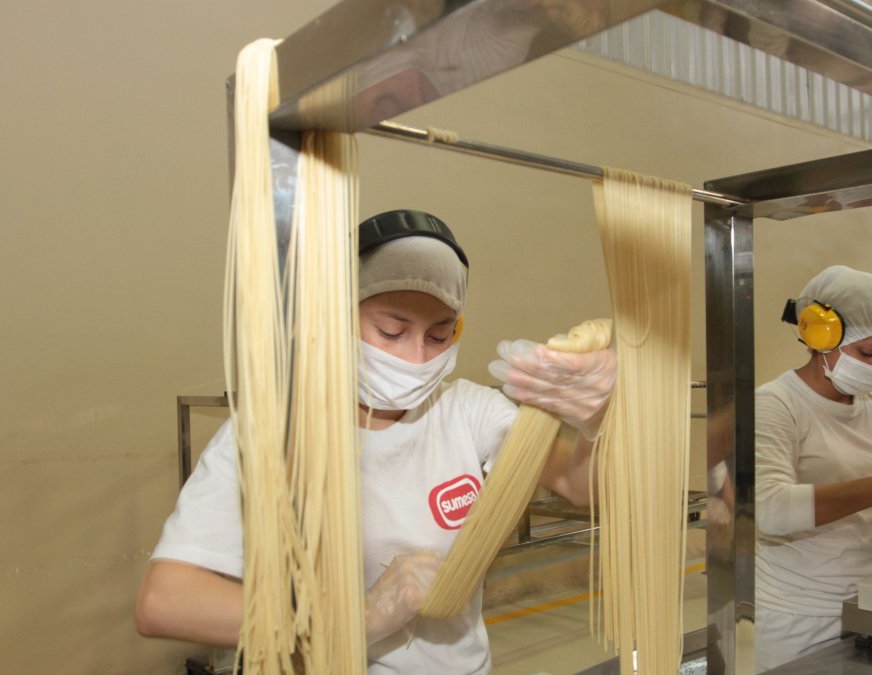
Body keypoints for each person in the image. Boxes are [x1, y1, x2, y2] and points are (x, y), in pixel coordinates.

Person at [135, 209, 616, 673]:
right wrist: (360, 617)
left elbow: (581, 488)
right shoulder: (274, 435)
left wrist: (594, 424)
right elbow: (165, 602)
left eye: (438, 335)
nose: (415, 356)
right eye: (391, 331)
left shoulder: (468, 412)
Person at [753, 265, 872, 671]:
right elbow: (769, 510)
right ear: (820, 335)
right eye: (868, 353)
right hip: (801, 614)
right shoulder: (776, 405)